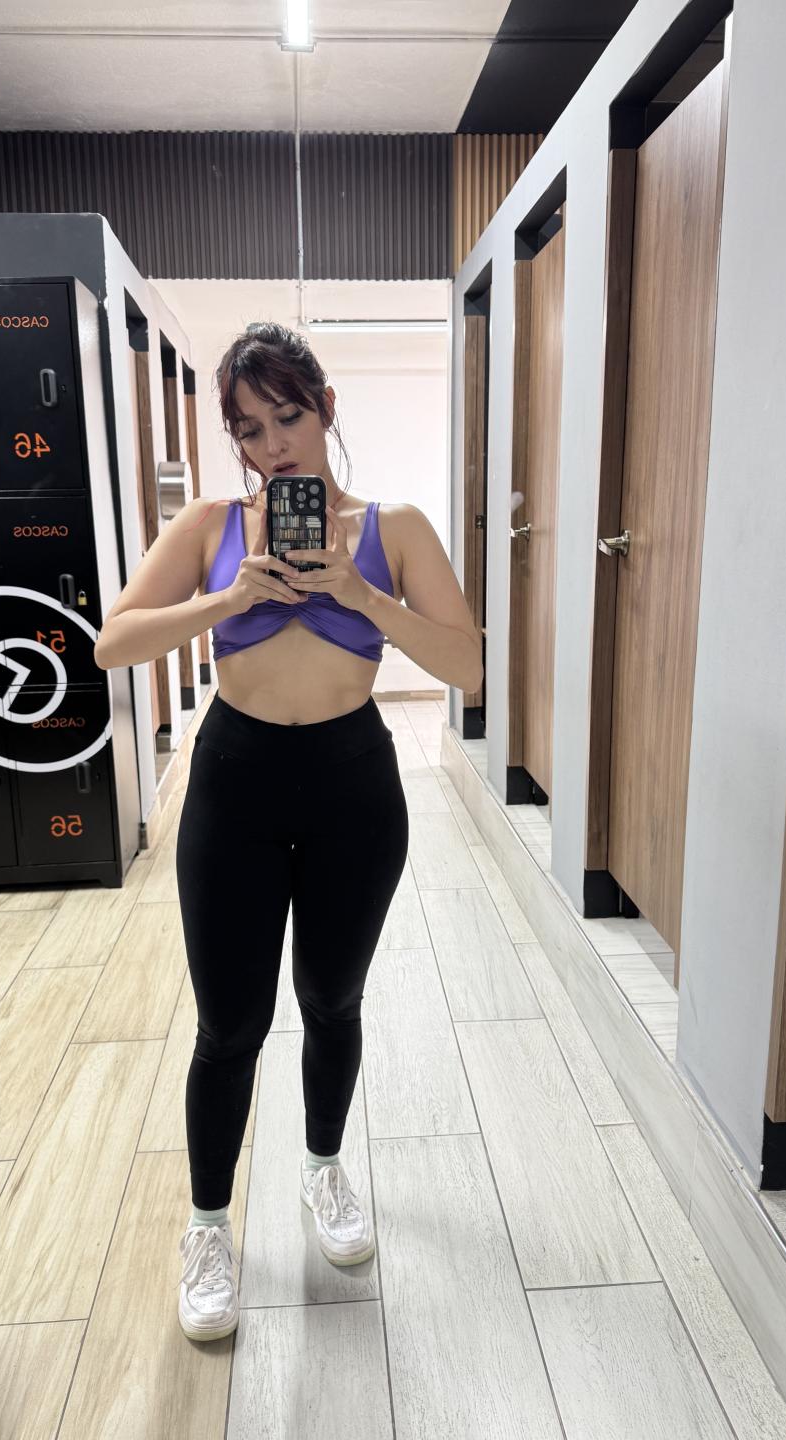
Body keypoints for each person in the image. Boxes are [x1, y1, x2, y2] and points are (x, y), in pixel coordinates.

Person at [94, 322, 483, 1343]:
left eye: (289, 417)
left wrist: (358, 591)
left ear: (326, 408)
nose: (274, 446)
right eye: (251, 429)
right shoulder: (214, 525)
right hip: (237, 781)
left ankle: (322, 1169)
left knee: (332, 999)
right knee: (229, 1026)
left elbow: (469, 666)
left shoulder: (395, 528)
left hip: (353, 785)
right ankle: (208, 1228)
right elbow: (112, 643)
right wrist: (230, 597)